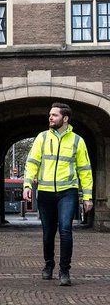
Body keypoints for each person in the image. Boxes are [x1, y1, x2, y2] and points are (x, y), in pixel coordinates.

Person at [23, 102, 93, 286]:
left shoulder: (78, 141)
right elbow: (32, 163)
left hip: (67, 192)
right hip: (45, 193)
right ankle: (48, 264)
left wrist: (87, 197)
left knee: (65, 230)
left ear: (65, 118)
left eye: (54, 115)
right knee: (48, 234)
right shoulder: (42, 138)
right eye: (50, 114)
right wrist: (27, 185)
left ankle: (64, 270)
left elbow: (85, 170)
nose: (50, 117)